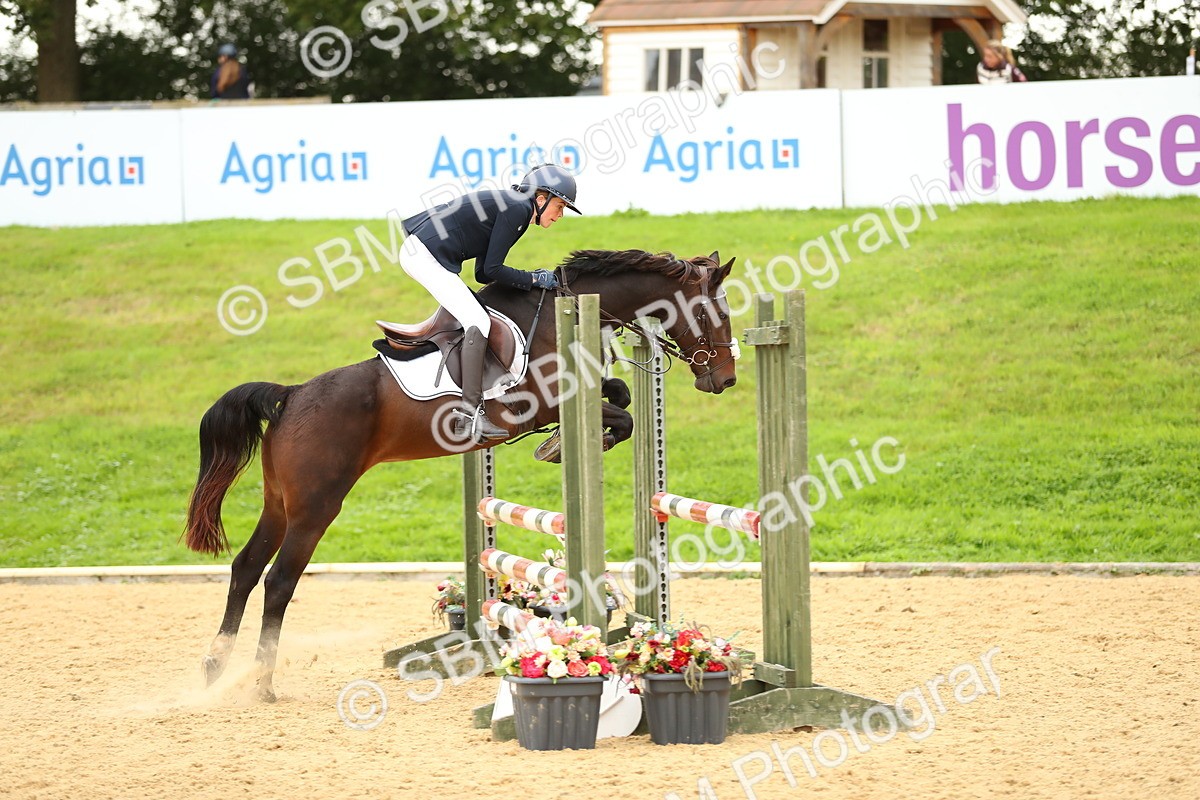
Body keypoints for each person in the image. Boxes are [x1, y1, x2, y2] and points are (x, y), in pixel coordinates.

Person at [399, 164, 581, 443]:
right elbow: (493, 271)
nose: (560, 215)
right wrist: (533, 279)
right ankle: (468, 415)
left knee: (477, 315)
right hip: (424, 254)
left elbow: (483, 272)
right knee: (479, 321)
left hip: (423, 251)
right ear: (541, 199)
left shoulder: (518, 207)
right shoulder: (518, 208)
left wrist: (530, 279)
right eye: (560, 206)